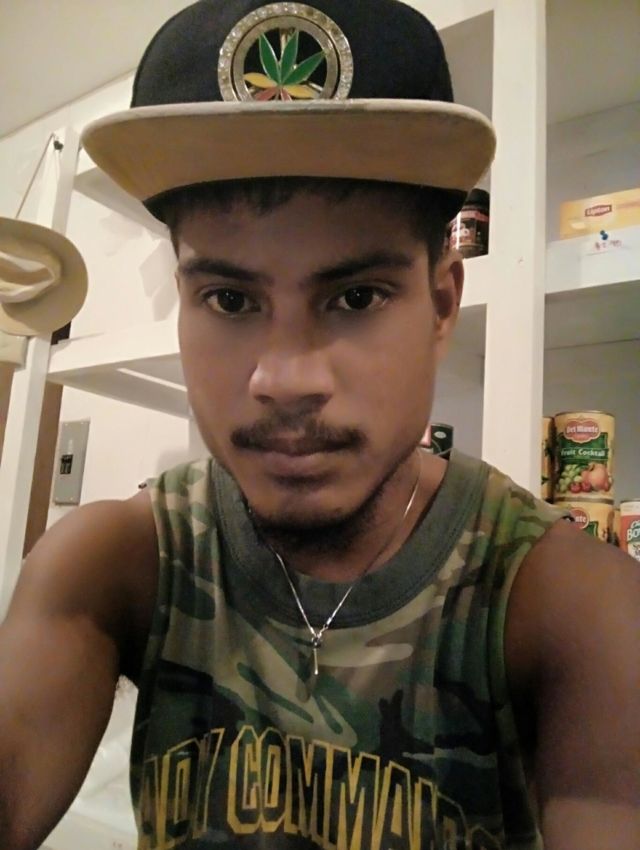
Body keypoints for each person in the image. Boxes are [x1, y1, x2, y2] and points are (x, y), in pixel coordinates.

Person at [1, 1, 639, 848]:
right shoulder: (115, 564)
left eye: (356, 296)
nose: (284, 380)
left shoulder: (564, 602)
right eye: (230, 300)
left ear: (441, 305)